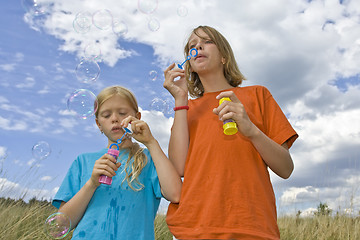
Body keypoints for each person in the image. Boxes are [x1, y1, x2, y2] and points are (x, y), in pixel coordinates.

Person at [163, 25, 298, 239]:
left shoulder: (258, 95)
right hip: (192, 227)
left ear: (224, 57)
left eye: (207, 41)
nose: (198, 46)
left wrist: (251, 130)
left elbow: (286, 168)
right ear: (190, 65)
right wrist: (180, 100)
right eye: (192, 45)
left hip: (251, 226)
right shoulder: (187, 110)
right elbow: (179, 168)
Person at [52, 86, 182, 239]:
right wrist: (91, 184)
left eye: (122, 113)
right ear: (98, 124)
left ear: (137, 117)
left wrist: (151, 142)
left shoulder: (150, 158)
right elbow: (59, 226)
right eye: (106, 115)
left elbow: (176, 195)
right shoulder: (82, 162)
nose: (114, 118)